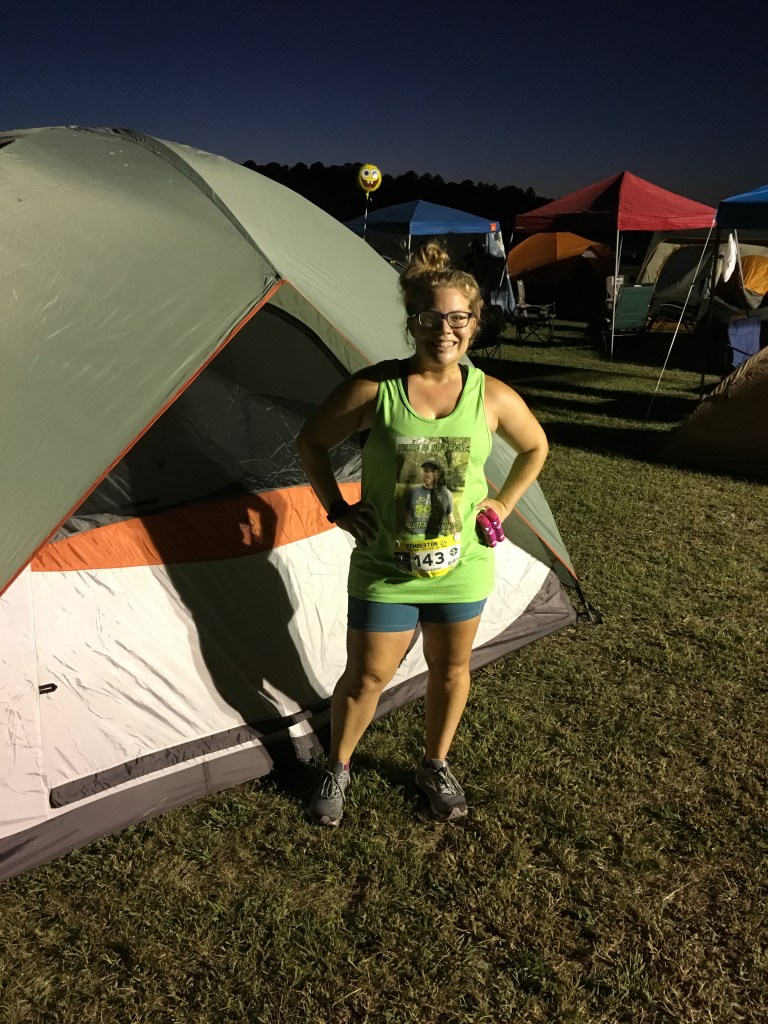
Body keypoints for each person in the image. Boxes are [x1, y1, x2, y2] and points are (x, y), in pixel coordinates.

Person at [296, 242, 549, 826]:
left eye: (459, 318)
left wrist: (502, 503)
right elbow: (311, 441)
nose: (445, 330)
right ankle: (337, 766)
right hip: (387, 567)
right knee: (367, 676)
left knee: (452, 670)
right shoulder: (375, 389)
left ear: (475, 322)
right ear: (413, 322)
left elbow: (536, 446)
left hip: (462, 567)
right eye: (432, 317)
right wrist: (336, 506)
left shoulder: (492, 396)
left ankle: (435, 763)